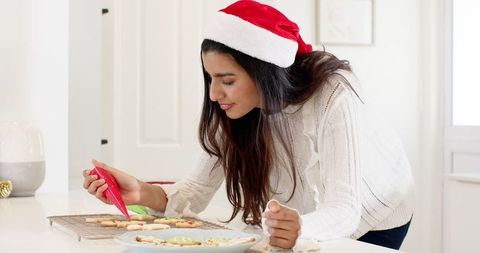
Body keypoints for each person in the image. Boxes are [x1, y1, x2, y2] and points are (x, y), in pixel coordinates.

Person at [83, 0, 415, 250]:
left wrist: (301, 229)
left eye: (226, 80)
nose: (214, 94)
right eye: (211, 79)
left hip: (376, 215)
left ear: (263, 72)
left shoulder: (333, 93)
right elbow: (194, 192)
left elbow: (345, 209)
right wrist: (142, 191)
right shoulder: (236, 111)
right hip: (305, 221)